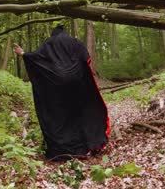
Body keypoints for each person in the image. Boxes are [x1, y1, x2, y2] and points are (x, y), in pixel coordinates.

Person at [14, 25, 110, 160]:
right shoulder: (74, 42)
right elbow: (86, 58)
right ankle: (86, 146)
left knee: (58, 114)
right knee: (78, 113)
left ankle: (61, 151)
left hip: (56, 88)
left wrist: (23, 54)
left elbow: (38, 58)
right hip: (77, 85)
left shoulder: (49, 43)